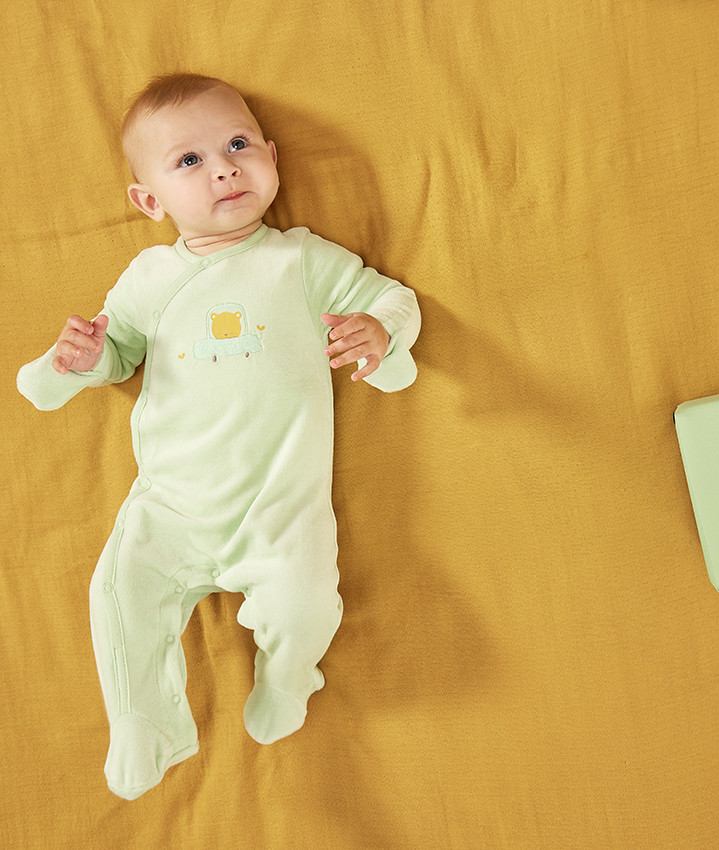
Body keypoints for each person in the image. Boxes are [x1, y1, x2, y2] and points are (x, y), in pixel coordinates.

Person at [16, 73, 420, 800]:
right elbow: (121, 353)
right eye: (189, 162)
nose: (225, 167)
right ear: (150, 201)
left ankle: (291, 675)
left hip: (278, 511)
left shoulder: (300, 261)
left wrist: (380, 332)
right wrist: (76, 360)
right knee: (116, 591)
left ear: (271, 156)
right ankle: (144, 720)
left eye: (237, 145)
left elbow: (393, 297)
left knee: (307, 607)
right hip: (171, 505)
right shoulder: (149, 277)